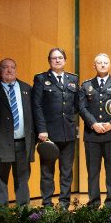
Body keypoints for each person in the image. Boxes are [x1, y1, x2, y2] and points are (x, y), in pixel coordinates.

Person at [79, 53, 111, 209]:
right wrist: (93, 123)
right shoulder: (86, 85)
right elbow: (81, 107)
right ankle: (93, 203)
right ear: (94, 65)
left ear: (110, 64)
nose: (102, 65)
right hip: (92, 134)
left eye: (105, 62)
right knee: (93, 171)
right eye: (99, 63)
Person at [32, 48, 79, 209]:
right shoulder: (41, 79)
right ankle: (47, 203)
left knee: (66, 172)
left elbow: (77, 105)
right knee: (47, 172)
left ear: (65, 60)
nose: (57, 60)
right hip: (48, 134)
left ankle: (64, 202)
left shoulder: (73, 79)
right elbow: (36, 106)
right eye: (54, 58)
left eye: (60, 58)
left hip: (68, 133)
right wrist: (41, 129)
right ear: (49, 61)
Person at [0, 58, 35, 207]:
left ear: (16, 70)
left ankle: (24, 212)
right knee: (0, 179)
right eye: (5, 67)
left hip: (23, 142)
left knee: (23, 180)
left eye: (12, 67)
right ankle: (1, 214)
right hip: (1, 142)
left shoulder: (27, 88)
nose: (9, 70)